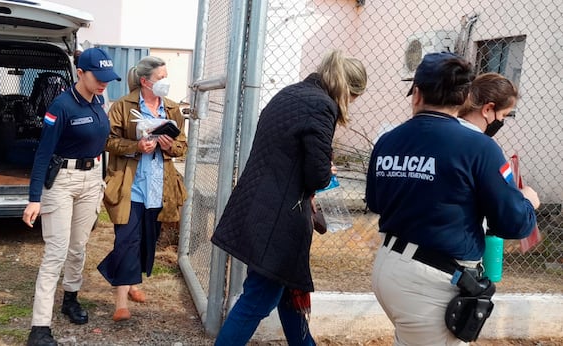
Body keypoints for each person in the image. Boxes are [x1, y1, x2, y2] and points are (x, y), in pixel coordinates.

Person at [365, 53, 539, 345]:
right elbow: (512, 224)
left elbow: (376, 201)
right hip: (429, 281)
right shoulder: (479, 147)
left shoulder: (388, 139)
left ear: (417, 94)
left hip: (389, 267)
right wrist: (527, 202)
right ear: (464, 97)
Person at [211, 50, 367, 345]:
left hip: (258, 207)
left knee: (286, 291)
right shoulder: (322, 106)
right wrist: (326, 167)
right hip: (279, 221)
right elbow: (317, 176)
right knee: (257, 299)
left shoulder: (291, 93)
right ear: (348, 90)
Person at [22, 47, 120, 346]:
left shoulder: (98, 100)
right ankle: (39, 327)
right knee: (56, 252)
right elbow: (42, 153)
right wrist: (34, 197)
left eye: (107, 77)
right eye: (98, 77)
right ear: (80, 73)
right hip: (62, 181)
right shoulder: (61, 106)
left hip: (91, 180)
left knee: (78, 247)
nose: (104, 83)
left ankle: (71, 299)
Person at [97, 56, 188, 322]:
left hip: (159, 188)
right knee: (126, 240)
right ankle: (121, 304)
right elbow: (108, 140)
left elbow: (182, 144)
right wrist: (135, 147)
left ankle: (131, 281)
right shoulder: (123, 106)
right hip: (130, 185)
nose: (166, 82)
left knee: (146, 239)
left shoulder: (171, 109)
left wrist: (168, 146)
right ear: (146, 81)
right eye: (162, 78)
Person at [457, 72, 517, 136]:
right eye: (503, 115)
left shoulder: (448, 124)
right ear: (487, 109)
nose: (502, 120)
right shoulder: (483, 143)